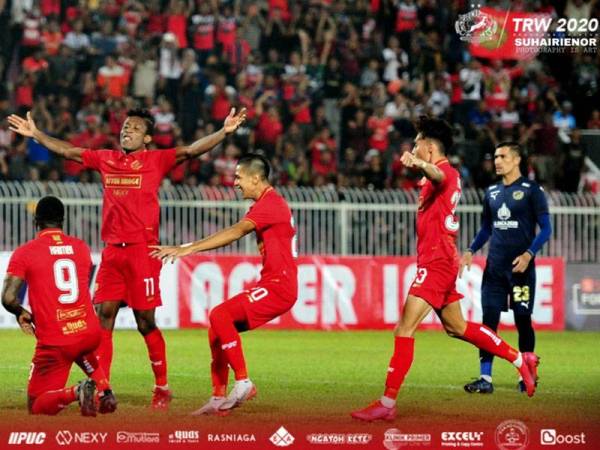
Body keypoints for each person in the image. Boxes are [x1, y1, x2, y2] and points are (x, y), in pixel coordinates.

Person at [7, 107, 246, 409]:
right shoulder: (107, 159)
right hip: (112, 252)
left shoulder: (155, 160)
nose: (126, 131)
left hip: (142, 251)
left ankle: (162, 387)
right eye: (124, 127)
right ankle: (101, 388)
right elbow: (70, 152)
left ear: (147, 137)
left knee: (145, 322)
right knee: (102, 320)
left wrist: (223, 132)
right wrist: (37, 134)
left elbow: (190, 151)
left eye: (134, 128)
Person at [350, 116, 538, 422]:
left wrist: (421, 165)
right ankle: (519, 359)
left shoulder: (445, 172)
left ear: (428, 146)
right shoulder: (444, 176)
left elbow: (436, 173)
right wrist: (422, 171)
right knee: (458, 328)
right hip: (442, 261)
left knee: (404, 329)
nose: (413, 147)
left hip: (437, 263)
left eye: (417, 142)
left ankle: (387, 402)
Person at [150, 154, 297, 415]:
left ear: (256, 177)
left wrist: (188, 249)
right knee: (217, 329)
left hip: (279, 286)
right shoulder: (265, 204)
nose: (235, 183)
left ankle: (243, 382)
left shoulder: (271, 203)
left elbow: (235, 232)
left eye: (239, 177)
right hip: (274, 283)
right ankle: (218, 399)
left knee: (220, 314)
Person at [1, 196, 117, 416]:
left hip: (57, 339)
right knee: (79, 344)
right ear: (63, 220)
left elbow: (7, 298)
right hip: (88, 331)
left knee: (36, 406)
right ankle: (105, 390)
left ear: (36, 221)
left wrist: (21, 312)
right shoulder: (81, 248)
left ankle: (77, 392)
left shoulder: (25, 253)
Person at [461, 142, 551, 394]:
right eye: (495, 156)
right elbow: (486, 229)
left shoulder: (532, 190)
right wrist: (470, 250)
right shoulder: (491, 192)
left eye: (502, 156)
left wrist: (529, 254)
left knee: (523, 320)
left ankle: (527, 374)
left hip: (521, 271)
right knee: (488, 322)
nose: (497, 160)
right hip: (494, 271)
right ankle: (485, 379)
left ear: (516, 160)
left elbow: (546, 229)